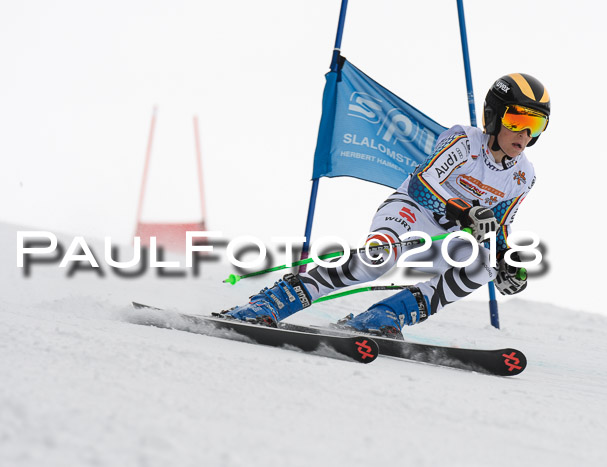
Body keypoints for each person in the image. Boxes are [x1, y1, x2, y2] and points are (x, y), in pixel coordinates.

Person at [223, 73, 550, 338]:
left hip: (448, 236)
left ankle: (386, 314)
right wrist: (464, 212)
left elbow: (501, 224)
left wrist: (507, 260)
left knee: (485, 265)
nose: (524, 132)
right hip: (412, 210)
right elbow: (423, 184)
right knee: (376, 260)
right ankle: (272, 302)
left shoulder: (524, 175)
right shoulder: (464, 142)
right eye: (517, 118)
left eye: (534, 125)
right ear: (494, 115)